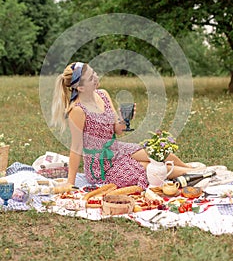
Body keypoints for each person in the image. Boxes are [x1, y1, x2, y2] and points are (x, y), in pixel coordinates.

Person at [51, 62, 195, 189]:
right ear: (80, 88)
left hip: (117, 148)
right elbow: (76, 149)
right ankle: (196, 174)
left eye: (94, 73)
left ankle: (191, 169)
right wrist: (70, 182)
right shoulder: (77, 110)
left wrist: (124, 119)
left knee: (161, 154)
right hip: (102, 167)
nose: (96, 77)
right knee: (153, 168)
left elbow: (117, 130)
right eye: (90, 78)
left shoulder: (102, 94)